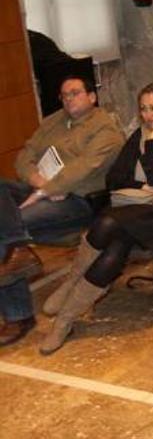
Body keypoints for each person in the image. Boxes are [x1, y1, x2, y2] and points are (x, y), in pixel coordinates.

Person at [39, 83, 153, 355]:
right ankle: (65, 320)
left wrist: (151, 143)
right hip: (132, 208)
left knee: (108, 223)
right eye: (144, 109)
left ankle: (70, 291)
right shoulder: (137, 137)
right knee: (114, 250)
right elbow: (114, 179)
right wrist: (143, 186)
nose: (148, 116)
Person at [0, 76, 125, 346]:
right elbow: (24, 156)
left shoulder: (106, 130)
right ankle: (18, 250)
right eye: (64, 94)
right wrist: (40, 185)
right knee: (3, 201)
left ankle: (18, 314)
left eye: (75, 93)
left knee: (8, 224)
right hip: (42, 188)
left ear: (92, 97)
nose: (69, 99)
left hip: (77, 200)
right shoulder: (54, 121)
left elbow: (83, 169)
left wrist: (46, 191)